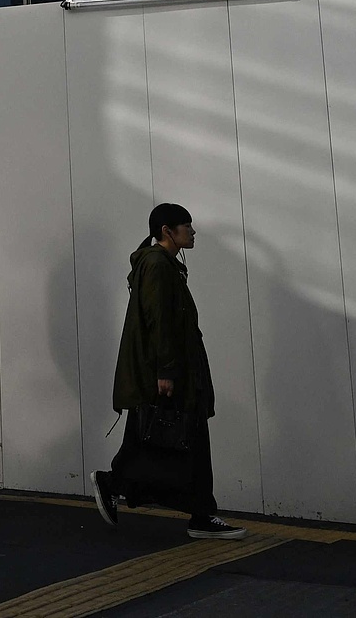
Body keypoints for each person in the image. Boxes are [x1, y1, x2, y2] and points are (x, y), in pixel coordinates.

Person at [93, 203, 248, 540]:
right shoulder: (158, 265)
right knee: (176, 439)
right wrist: (166, 371)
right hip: (170, 374)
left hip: (175, 370)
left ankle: (194, 512)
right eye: (186, 226)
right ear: (167, 231)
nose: (193, 232)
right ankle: (123, 485)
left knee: (165, 440)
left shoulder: (163, 264)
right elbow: (160, 320)